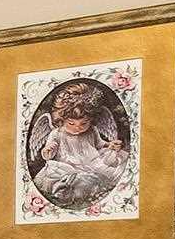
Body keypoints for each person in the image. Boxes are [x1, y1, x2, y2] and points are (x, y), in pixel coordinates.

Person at [26, 78, 130, 212]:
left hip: (92, 162)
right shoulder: (57, 134)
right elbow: (48, 153)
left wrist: (110, 145)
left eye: (84, 123)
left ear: (91, 120)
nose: (78, 127)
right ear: (62, 120)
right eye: (71, 123)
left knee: (116, 162)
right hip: (66, 165)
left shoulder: (92, 130)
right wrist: (47, 152)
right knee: (66, 182)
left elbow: (99, 144)